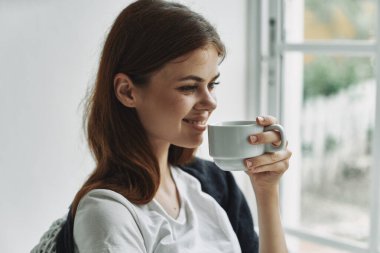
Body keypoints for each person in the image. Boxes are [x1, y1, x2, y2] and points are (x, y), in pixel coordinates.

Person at [32, 0, 292, 253]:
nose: (210, 102)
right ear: (127, 92)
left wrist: (266, 191)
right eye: (189, 87)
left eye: (212, 84)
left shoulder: (215, 183)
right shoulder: (108, 213)